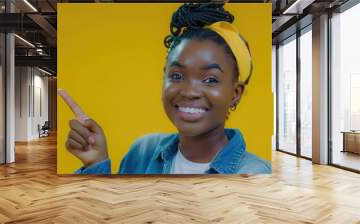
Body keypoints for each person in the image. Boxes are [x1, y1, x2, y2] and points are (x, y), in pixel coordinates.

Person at [58, 3, 271, 174]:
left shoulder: (254, 173)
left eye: (210, 80)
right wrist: (96, 164)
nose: (189, 91)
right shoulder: (142, 151)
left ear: (235, 94)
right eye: (177, 76)